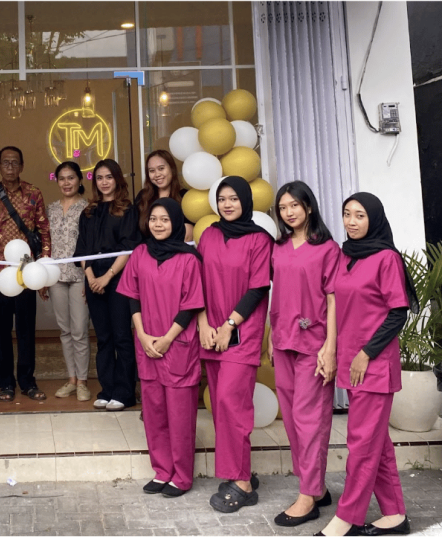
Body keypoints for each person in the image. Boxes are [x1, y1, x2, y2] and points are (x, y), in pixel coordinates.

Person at [317, 193, 417, 537]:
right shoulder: (346, 255)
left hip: (373, 364)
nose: (351, 221)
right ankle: (395, 515)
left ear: (374, 219)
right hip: (351, 363)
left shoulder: (386, 258)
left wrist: (366, 353)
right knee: (377, 443)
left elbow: (398, 313)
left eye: (359, 215)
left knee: (360, 444)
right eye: (347, 214)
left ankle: (347, 518)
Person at [117, 198, 204, 497]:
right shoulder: (140, 253)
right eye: (153, 219)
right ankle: (162, 470)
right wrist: (142, 335)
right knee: (154, 412)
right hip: (147, 343)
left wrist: (167, 338)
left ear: (176, 222)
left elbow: (191, 305)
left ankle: (181, 476)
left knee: (180, 416)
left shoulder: (189, 259)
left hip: (177, 343)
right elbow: (132, 296)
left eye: (165, 219)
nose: (158, 224)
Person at [196, 176, 273, 513]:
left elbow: (258, 288)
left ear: (245, 201)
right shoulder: (209, 235)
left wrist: (229, 325)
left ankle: (242, 483)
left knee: (233, 404)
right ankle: (238, 471)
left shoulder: (260, 239)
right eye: (222, 199)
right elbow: (196, 282)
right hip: (211, 334)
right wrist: (203, 323)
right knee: (220, 405)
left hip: (241, 333)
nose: (227, 204)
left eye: (233, 199)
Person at [268, 181, 339, 527]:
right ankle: (316, 485)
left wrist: (331, 347)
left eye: (294, 205)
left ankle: (308, 496)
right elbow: (277, 292)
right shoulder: (278, 247)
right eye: (283, 208)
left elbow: (334, 299)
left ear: (309, 207)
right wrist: (272, 336)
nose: (289, 212)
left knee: (309, 419)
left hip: (315, 343)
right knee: (292, 418)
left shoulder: (327, 248)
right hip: (283, 339)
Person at [0, 146, 51, 402]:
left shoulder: (34, 193)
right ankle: (5, 384)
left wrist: (44, 269)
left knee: (26, 331)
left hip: (27, 273)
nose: (10, 167)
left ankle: (28, 382)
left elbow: (43, 231)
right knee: (0, 332)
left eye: (15, 162)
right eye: (5, 162)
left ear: (22, 166)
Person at [73, 158, 141, 411]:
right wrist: (91, 277)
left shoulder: (128, 210)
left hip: (119, 278)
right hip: (93, 279)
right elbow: (83, 250)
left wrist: (107, 276)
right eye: (99, 178)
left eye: (109, 177)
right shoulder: (88, 212)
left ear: (117, 179)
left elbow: (129, 247)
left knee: (122, 336)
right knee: (103, 338)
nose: (104, 182)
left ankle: (125, 392)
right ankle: (107, 389)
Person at [48, 161, 91, 402]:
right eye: (62, 178)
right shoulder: (51, 209)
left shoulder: (88, 208)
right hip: (55, 276)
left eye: (71, 177)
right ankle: (71, 379)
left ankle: (83, 381)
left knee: (79, 331)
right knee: (64, 330)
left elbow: (91, 245)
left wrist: (89, 277)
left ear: (79, 180)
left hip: (79, 277)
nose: (66, 183)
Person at [135, 150, 194, 241]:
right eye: (152, 171)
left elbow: (188, 232)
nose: (157, 174)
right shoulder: (143, 196)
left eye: (161, 168)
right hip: (147, 248)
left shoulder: (185, 196)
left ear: (172, 168)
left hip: (175, 248)